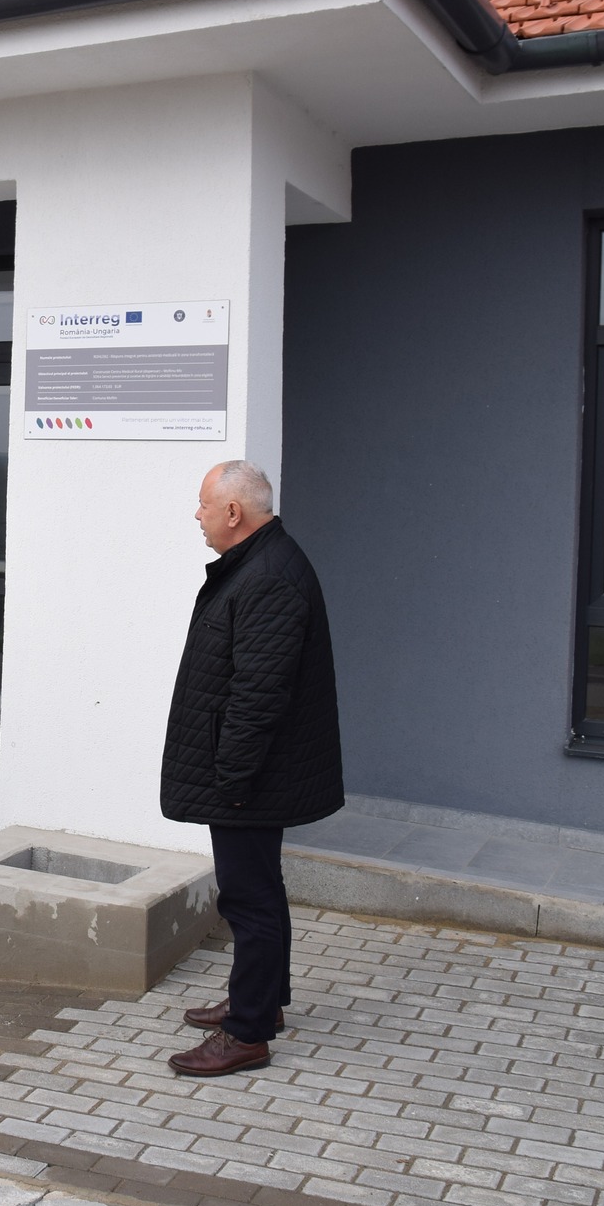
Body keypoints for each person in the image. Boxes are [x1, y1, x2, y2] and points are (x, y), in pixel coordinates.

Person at [161, 460, 343, 1078]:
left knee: (249, 897)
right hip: (255, 770)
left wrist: (233, 779)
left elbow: (259, 694)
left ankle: (247, 1034)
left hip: (251, 776)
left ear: (234, 512)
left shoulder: (267, 577)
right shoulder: (261, 563)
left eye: (205, 504)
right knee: (260, 888)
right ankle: (261, 1001)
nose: (198, 515)